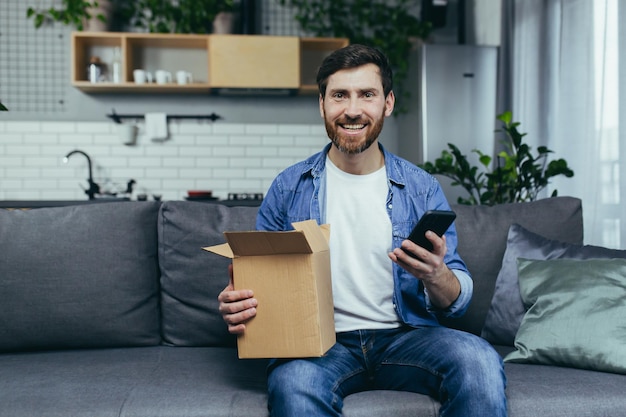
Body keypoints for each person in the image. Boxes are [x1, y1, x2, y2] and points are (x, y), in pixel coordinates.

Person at [218, 44, 507, 417]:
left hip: (408, 337)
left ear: (387, 103)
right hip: (321, 346)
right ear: (322, 104)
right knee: (293, 384)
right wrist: (239, 303)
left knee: (479, 359)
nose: (352, 110)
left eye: (366, 95)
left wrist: (438, 275)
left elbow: (458, 301)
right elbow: (260, 286)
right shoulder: (289, 187)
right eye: (339, 95)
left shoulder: (421, 188)